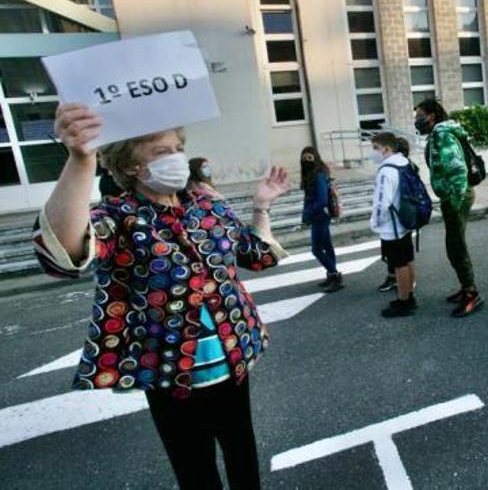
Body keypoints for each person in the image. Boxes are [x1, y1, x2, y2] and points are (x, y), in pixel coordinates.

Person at [34, 103, 291, 489]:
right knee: (196, 473)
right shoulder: (119, 217)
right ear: (133, 167)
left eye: (177, 149)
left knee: (244, 458)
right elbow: (64, 254)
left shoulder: (205, 205)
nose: (176, 159)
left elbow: (255, 255)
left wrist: (261, 206)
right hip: (171, 376)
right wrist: (80, 160)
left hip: (232, 361)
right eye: (161, 152)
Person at [414, 98, 483, 317]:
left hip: (457, 196)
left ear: (432, 115)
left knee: (456, 245)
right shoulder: (440, 133)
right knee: (454, 244)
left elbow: (456, 169)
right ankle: (465, 288)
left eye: (419, 115)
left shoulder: (442, 135)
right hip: (455, 195)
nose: (417, 120)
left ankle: (472, 294)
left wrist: (453, 200)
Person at [369, 132, 418, 318]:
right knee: (408, 260)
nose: (372, 152)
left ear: (386, 149)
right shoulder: (404, 163)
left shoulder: (386, 171)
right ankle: (409, 296)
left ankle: (404, 302)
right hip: (405, 220)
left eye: (375, 148)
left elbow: (382, 203)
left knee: (399, 265)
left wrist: (375, 223)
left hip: (392, 226)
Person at [301, 146, 343, 292]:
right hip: (318, 215)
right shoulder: (312, 173)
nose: (307, 161)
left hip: (320, 216)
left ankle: (335, 275)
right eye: (304, 158)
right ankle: (332, 275)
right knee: (327, 246)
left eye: (310, 158)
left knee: (316, 249)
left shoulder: (318, 174)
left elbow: (322, 200)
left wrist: (307, 213)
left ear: (315, 158)